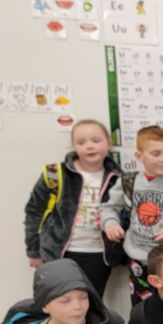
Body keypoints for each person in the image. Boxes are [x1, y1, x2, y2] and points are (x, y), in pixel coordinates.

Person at [100, 125, 163, 305]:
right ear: (139, 156)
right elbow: (109, 208)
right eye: (156, 154)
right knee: (143, 310)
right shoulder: (128, 182)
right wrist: (110, 223)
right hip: (139, 260)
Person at [24, 120, 122, 297]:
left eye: (95, 140)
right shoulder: (54, 173)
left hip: (98, 254)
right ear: (73, 146)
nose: (89, 147)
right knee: (57, 301)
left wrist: (118, 253)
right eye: (81, 142)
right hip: (58, 252)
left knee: (92, 302)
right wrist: (33, 251)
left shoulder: (119, 178)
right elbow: (33, 212)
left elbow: (124, 215)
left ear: (108, 143)